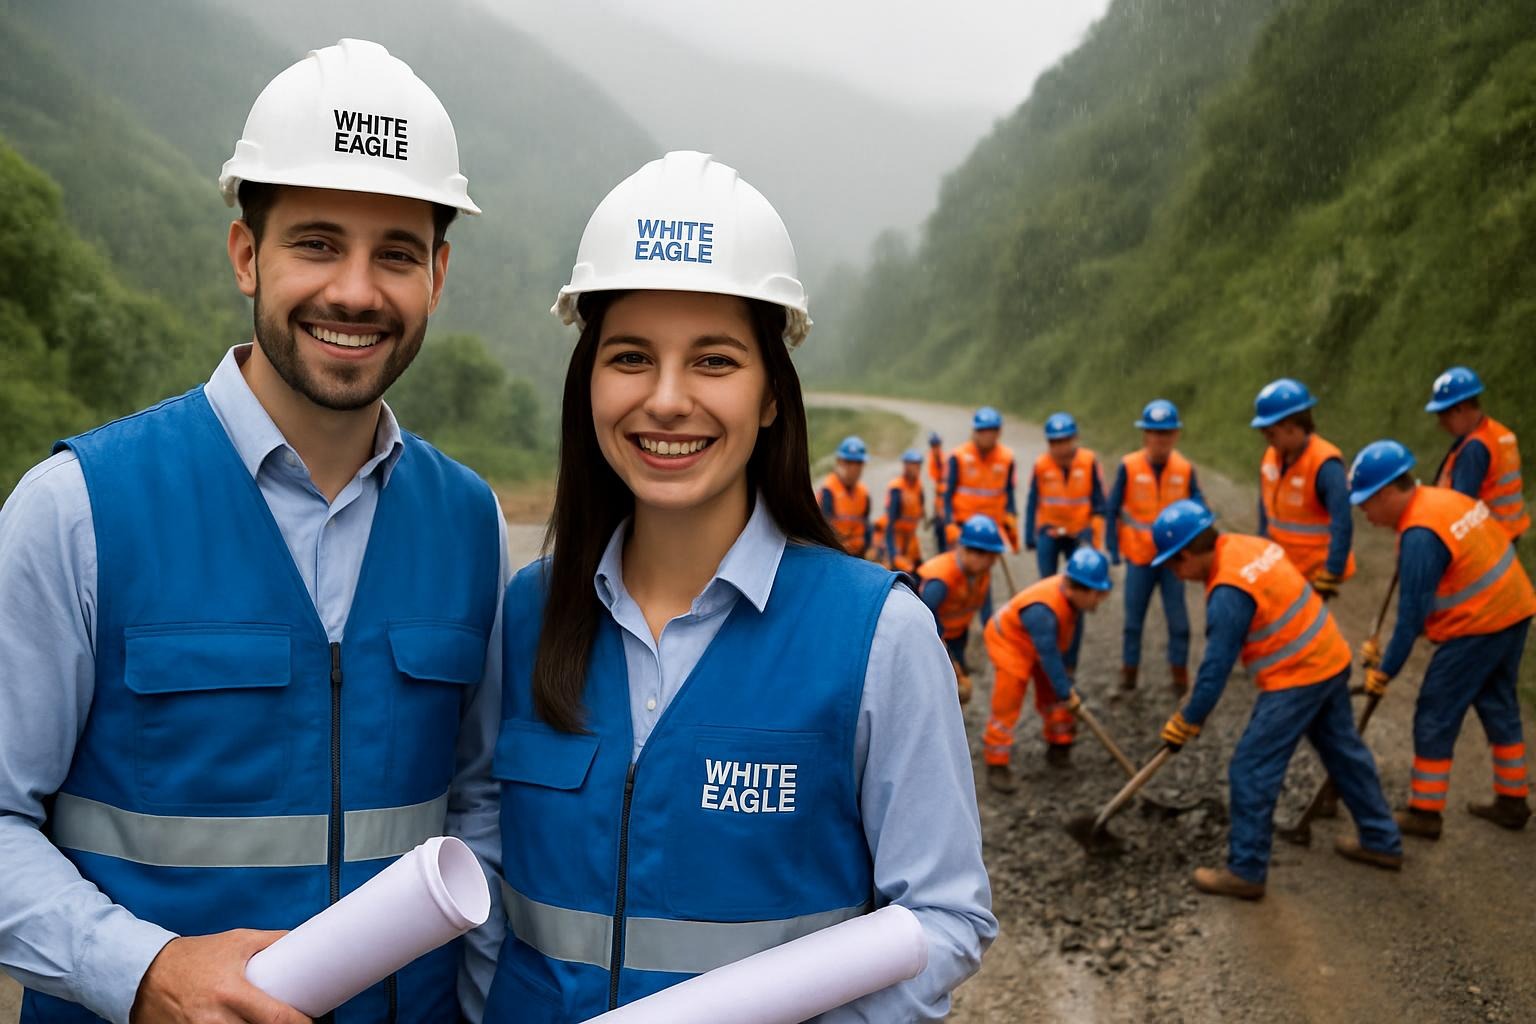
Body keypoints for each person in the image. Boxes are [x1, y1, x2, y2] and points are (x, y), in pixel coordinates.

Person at [0, 39, 507, 1023]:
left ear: (438, 274)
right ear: (246, 254)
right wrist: (145, 970)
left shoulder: (469, 521)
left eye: (396, 253)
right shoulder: (77, 509)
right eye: (317, 243)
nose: (355, 291)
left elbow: (476, 805)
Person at [482, 151, 995, 1022]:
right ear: (588, 383)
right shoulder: (524, 615)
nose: (667, 399)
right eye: (630, 357)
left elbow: (944, 917)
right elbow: (482, 866)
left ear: (770, 398)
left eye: (714, 361)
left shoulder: (876, 636)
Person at [1150, 501, 1401, 901]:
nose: (1174, 575)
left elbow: (1215, 669)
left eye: (1172, 566)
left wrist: (1188, 719)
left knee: (1251, 767)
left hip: (1298, 676)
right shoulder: (1246, 545)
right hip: (1330, 655)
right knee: (1344, 751)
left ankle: (1246, 871)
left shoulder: (1228, 592)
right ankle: (1381, 840)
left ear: (1185, 555)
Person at [1350, 441, 1535, 837]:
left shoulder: (1420, 533)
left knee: (1435, 711)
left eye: (1365, 504)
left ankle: (1425, 812)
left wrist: (1384, 671)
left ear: (1386, 492)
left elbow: (1410, 619)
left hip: (1480, 622)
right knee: (1497, 702)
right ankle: (1513, 800)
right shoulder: (1440, 500)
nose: (1365, 514)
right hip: (1514, 606)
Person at [982, 547, 1113, 791]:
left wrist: (1066, 682)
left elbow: (1065, 646)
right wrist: (1066, 691)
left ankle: (1059, 746)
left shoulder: (1072, 601)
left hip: (1039, 643)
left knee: (1054, 696)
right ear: (1079, 589)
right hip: (1010, 642)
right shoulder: (1043, 610)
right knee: (1008, 701)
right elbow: (1049, 656)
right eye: (1098, 594)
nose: (1099, 601)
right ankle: (996, 763)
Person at [1105, 399, 1204, 693]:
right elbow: (1112, 508)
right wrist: (1112, 547)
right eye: (1154, 432)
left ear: (1176, 435)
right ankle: (1129, 674)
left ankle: (1180, 678)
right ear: (1145, 435)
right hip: (1139, 558)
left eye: (1165, 433)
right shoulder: (1128, 466)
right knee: (1133, 622)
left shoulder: (1185, 469)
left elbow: (1199, 510)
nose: (1159, 439)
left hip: (1174, 561)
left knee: (1179, 623)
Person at [1250, 378, 1355, 597]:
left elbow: (1342, 521)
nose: (1267, 440)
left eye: (1271, 433)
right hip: (1283, 570)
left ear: (1291, 426)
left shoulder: (1326, 465)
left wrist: (1332, 571)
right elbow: (1265, 511)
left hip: (1315, 576)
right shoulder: (1270, 458)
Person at [1425, 366, 1528, 542]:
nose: (1441, 424)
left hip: (1487, 537)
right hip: (1506, 533)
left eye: (1442, 415)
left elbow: (1459, 507)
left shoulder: (1475, 449)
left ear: (1459, 408)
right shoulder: (1498, 433)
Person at [916, 515, 1005, 705]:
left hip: (958, 635)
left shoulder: (981, 573)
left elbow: (985, 609)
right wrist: (950, 661)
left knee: (957, 689)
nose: (994, 562)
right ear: (970, 552)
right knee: (938, 686)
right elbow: (925, 622)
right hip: (934, 640)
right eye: (991, 557)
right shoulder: (940, 579)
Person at [1024, 412, 1107, 580]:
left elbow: (1099, 502)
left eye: (1065, 440)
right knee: (1047, 581)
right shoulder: (1041, 465)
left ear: (1074, 438)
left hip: (1079, 531)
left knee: (1080, 580)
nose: (1060, 447)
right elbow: (1032, 502)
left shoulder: (1088, 462)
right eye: (1055, 442)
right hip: (1050, 531)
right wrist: (1029, 535)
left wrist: (1092, 533)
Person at [943, 407, 1020, 555]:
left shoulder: (1007, 458)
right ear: (974, 432)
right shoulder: (958, 456)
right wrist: (949, 523)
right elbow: (947, 494)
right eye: (982, 431)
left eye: (991, 431)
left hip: (992, 526)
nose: (987, 436)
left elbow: (1009, 491)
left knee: (985, 567)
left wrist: (1011, 518)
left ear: (999, 432)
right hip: (963, 524)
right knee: (958, 564)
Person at [872, 449, 926, 572]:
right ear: (905, 466)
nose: (917, 468)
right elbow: (890, 523)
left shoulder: (918, 486)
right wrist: (892, 553)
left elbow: (921, 509)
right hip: (896, 538)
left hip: (911, 537)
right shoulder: (897, 488)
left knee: (919, 570)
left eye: (918, 465)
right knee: (898, 569)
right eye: (913, 464)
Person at [820, 435, 872, 557]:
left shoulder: (864, 493)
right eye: (848, 462)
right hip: (836, 555)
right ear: (839, 462)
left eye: (858, 463)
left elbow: (866, 526)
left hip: (859, 555)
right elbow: (823, 534)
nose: (853, 469)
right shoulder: (828, 491)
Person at [927, 431, 949, 552]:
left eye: (937, 445)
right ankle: (940, 550)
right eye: (933, 445)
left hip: (945, 497)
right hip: (938, 497)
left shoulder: (943, 459)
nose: (935, 448)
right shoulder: (932, 458)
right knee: (938, 527)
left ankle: (944, 550)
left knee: (942, 526)